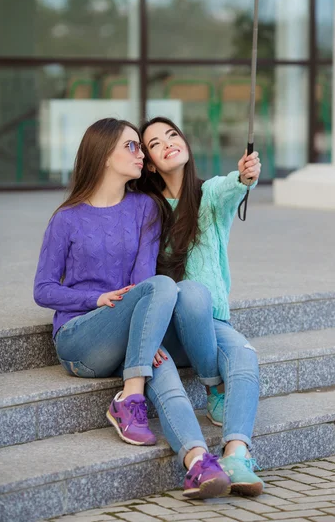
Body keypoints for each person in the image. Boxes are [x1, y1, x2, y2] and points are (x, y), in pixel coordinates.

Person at [34, 117, 231, 499]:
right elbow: (42, 289)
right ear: (104, 155)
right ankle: (131, 395)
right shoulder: (67, 219)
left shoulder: (145, 209)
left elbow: (146, 285)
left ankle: (196, 460)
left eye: (140, 147)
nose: (140, 153)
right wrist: (94, 299)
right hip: (80, 339)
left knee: (161, 359)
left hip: (127, 340)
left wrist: (147, 331)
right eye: (131, 146)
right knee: (155, 331)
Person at [139, 116, 264, 496]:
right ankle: (213, 386)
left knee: (244, 356)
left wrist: (245, 176)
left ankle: (237, 454)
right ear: (148, 163)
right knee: (190, 293)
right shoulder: (144, 207)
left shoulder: (208, 194)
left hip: (212, 323)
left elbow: (233, 187)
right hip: (167, 326)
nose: (167, 144)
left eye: (172, 135)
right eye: (155, 144)